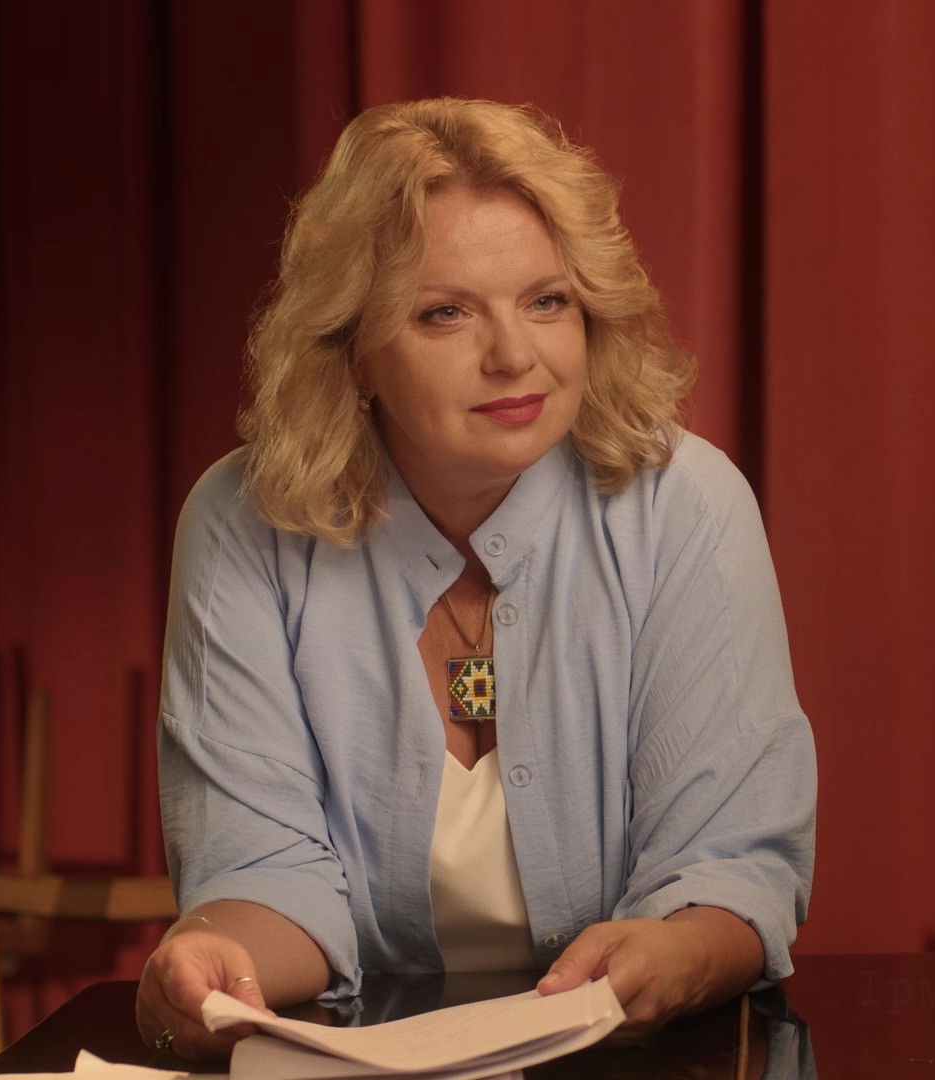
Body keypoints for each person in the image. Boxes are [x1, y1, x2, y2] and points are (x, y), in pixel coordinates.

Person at [134, 97, 815, 1062]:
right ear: (355, 350)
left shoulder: (687, 505)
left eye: (548, 301)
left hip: (646, 1059)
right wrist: (218, 956)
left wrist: (676, 952)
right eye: (444, 313)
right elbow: (263, 866)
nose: (514, 356)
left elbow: (732, 861)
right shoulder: (240, 524)